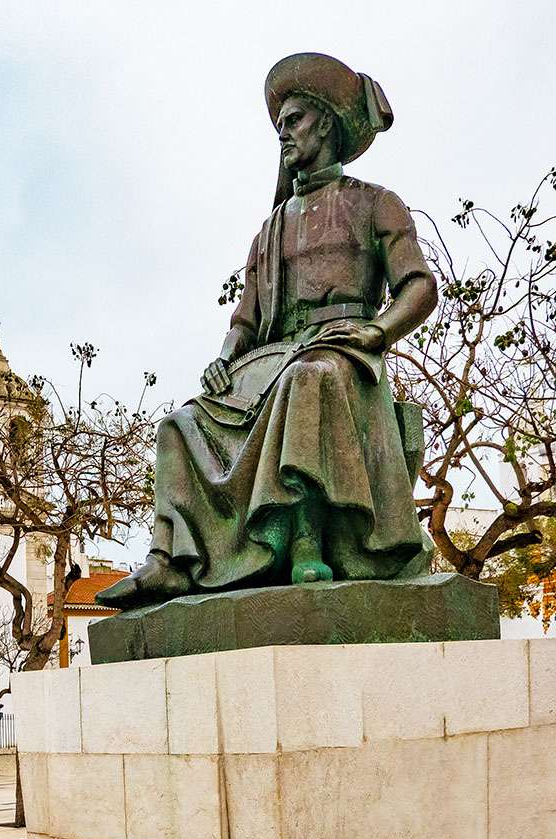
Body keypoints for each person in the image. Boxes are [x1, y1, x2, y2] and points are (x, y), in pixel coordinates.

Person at [100, 53, 437, 609]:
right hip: (271, 359)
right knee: (179, 424)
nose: (283, 135)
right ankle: (172, 559)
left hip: (343, 352)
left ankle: (305, 540)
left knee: (308, 379)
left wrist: (379, 331)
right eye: (280, 126)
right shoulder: (271, 228)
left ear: (326, 123)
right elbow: (246, 321)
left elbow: (419, 286)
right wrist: (225, 356)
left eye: (294, 121)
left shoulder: (376, 203)